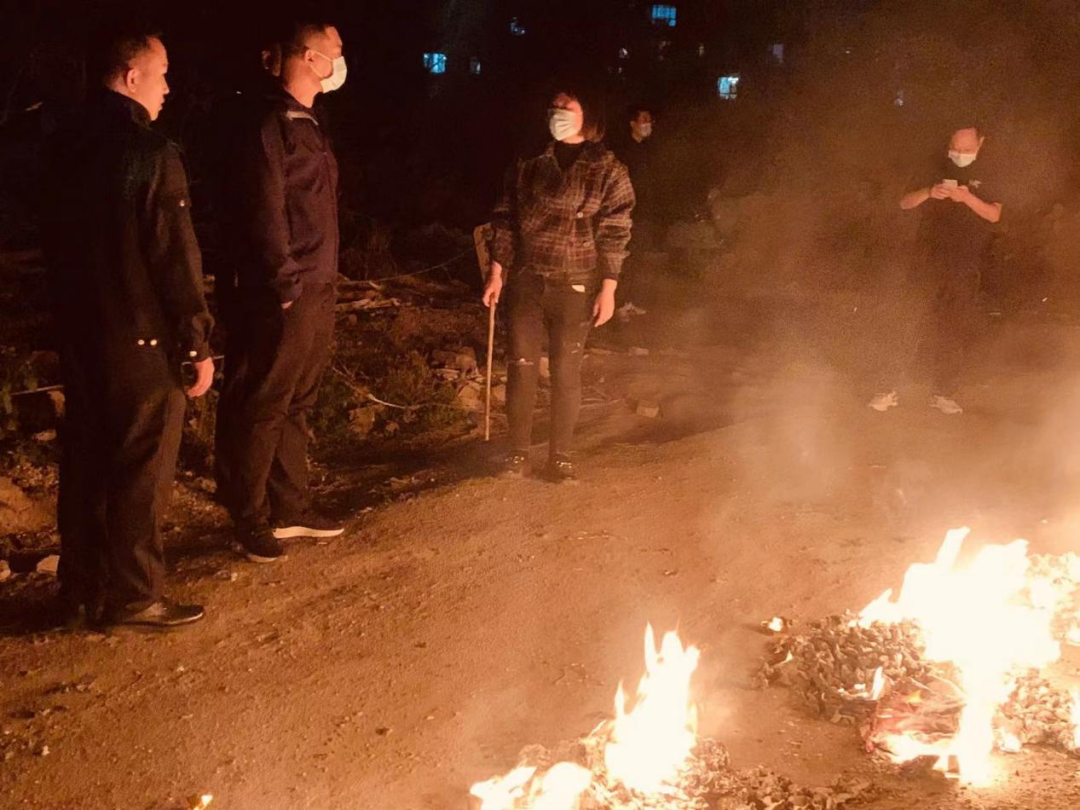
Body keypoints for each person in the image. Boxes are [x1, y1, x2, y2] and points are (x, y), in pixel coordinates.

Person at [41, 26, 215, 629]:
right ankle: (135, 593)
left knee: (86, 462)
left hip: (81, 336)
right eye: (161, 73)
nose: (168, 87)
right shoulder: (151, 154)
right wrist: (195, 340)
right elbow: (173, 256)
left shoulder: (61, 147)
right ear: (132, 75)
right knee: (142, 467)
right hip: (142, 340)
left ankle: (80, 589)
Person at [214, 20, 346, 562]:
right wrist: (285, 282)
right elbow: (263, 208)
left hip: (317, 284)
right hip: (284, 290)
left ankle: (290, 507)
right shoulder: (268, 122)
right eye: (336, 51)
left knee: (297, 400)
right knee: (264, 400)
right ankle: (248, 516)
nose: (342, 62)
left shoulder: (307, 121)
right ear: (310, 57)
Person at [483, 88, 635, 481]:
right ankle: (518, 454)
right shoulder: (529, 161)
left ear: (589, 113)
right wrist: (497, 272)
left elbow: (615, 230)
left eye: (567, 106)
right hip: (528, 279)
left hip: (576, 283)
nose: (557, 112)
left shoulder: (607, 169)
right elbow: (505, 217)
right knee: (521, 366)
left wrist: (609, 287)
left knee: (566, 371)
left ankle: (560, 457)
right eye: (553, 106)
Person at [893, 124, 1003, 415]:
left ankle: (943, 392)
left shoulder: (992, 172)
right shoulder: (933, 167)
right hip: (927, 259)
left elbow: (994, 215)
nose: (960, 153)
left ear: (980, 143)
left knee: (953, 328)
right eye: (955, 148)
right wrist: (929, 192)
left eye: (966, 149)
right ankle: (890, 386)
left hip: (964, 263)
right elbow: (904, 202)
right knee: (910, 319)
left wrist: (967, 198)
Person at [610, 105, 656, 312]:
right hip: (626, 213)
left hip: (643, 213)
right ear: (632, 123)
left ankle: (632, 300)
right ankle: (619, 302)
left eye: (650, 120)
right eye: (644, 119)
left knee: (638, 257)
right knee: (623, 258)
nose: (648, 124)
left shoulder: (647, 149)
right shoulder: (623, 152)